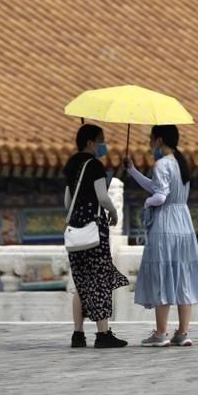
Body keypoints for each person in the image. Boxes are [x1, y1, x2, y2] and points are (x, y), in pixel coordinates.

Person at [125, 125, 198, 347]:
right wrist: (132, 171)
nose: (150, 144)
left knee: (162, 274)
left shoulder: (161, 164)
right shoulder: (181, 163)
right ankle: (183, 332)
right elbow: (157, 186)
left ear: (159, 140)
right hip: (184, 221)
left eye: (151, 140)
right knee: (182, 275)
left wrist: (147, 203)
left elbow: (159, 195)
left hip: (166, 222)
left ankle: (161, 333)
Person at [63, 124, 130, 348]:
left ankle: (77, 334)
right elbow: (102, 195)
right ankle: (103, 334)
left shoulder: (71, 164)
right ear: (91, 142)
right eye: (101, 140)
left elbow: (67, 200)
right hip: (94, 227)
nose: (104, 145)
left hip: (74, 229)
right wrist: (113, 212)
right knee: (100, 279)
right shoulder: (95, 166)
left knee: (81, 281)